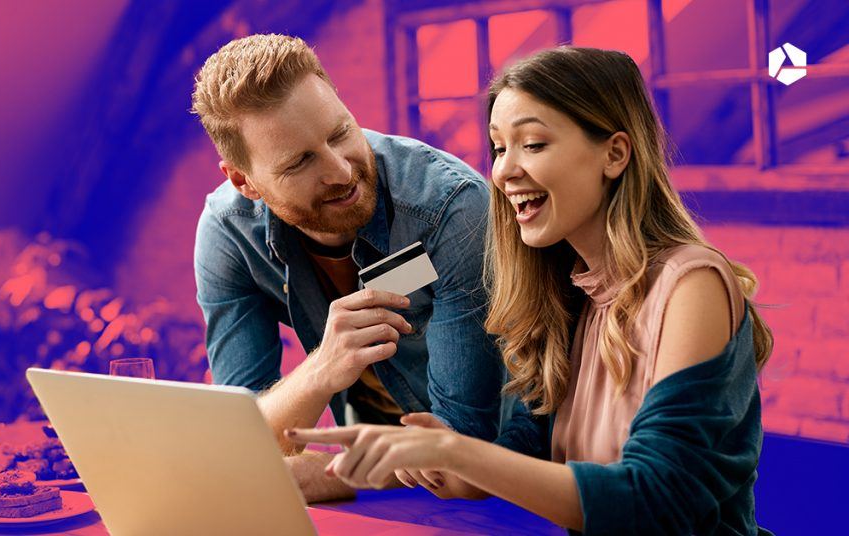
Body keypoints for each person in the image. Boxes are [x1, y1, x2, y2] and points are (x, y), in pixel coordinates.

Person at [288, 46, 774, 535]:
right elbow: (532, 445)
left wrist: (459, 452)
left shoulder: (691, 285)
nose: (503, 172)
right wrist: (453, 468)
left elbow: (657, 500)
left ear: (615, 153)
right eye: (499, 148)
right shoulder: (573, 293)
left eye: (533, 144)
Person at [190, 34, 505, 502]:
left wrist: (328, 474)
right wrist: (321, 369)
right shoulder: (229, 232)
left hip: (494, 492)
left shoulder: (449, 208)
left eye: (340, 132)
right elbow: (242, 433)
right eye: (300, 161)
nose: (340, 171)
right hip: (378, 488)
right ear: (244, 181)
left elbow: (463, 443)